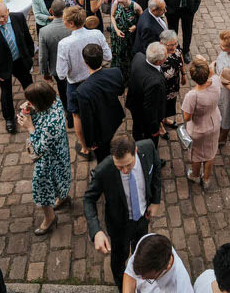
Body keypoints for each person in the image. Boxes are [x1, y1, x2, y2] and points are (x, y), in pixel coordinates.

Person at [84, 135, 163, 289]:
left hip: (143, 218)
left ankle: (140, 278)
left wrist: (155, 200)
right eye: (120, 167)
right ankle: (123, 286)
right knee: (119, 259)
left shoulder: (148, 147)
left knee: (140, 251)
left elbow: (156, 168)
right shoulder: (104, 170)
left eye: (128, 164)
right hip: (119, 225)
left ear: (135, 151)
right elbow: (88, 199)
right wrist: (96, 231)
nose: (125, 170)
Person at [56, 6, 112, 160]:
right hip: (96, 79)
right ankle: (101, 139)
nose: (63, 22)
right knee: (98, 109)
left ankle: (85, 147)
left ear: (71, 23)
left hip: (75, 84)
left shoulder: (64, 44)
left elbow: (61, 74)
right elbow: (108, 56)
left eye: (65, 20)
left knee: (77, 114)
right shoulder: (96, 33)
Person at [17, 82, 71, 235]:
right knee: (61, 177)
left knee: (42, 188)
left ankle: (50, 218)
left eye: (31, 102)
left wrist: (29, 127)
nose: (30, 104)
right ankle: (62, 197)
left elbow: (40, 148)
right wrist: (28, 109)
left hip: (48, 160)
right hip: (60, 151)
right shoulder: (56, 101)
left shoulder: (52, 124)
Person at [0, 1, 34, 134]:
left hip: (20, 61)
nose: (2, 20)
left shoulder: (18, 18)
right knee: (6, 93)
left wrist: (30, 56)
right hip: (2, 66)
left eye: (4, 16)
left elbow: (27, 38)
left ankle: (35, 108)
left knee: (29, 86)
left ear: (8, 11)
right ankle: (9, 119)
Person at [75, 44, 126, 163]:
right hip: (114, 118)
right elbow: (120, 90)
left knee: (102, 156)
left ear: (85, 62)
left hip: (100, 129)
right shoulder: (115, 72)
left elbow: (87, 120)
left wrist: (90, 142)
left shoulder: (82, 91)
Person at [182, 56, 222, 189]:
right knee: (210, 153)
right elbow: (212, 71)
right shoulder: (216, 81)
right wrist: (205, 63)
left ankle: (194, 175)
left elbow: (187, 117)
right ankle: (206, 179)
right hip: (215, 122)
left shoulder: (192, 96)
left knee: (197, 155)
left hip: (198, 129)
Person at [128, 43, 168, 148]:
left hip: (134, 103)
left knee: (136, 128)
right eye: (166, 55)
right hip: (144, 116)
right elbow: (150, 109)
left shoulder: (139, 57)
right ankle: (150, 160)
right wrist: (154, 129)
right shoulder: (155, 82)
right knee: (149, 141)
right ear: (159, 62)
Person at [37, 0, 72, 121]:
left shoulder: (44, 31)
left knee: (62, 90)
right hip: (73, 65)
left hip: (57, 68)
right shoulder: (73, 26)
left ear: (51, 11)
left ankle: (68, 111)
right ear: (66, 11)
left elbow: (43, 56)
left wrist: (44, 72)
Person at [123, 233, 193, 293]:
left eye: (148, 277)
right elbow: (130, 274)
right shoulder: (147, 243)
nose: (140, 278)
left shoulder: (180, 288)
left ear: (166, 267)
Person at [110, 0, 143, 82]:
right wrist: (116, 30)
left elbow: (142, 19)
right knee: (118, 55)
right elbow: (112, 16)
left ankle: (129, 77)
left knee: (128, 56)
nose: (117, 0)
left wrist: (135, 26)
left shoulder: (135, 7)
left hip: (129, 37)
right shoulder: (116, 3)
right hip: (117, 35)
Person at [160, 30, 186, 132]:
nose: (174, 47)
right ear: (162, 43)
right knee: (161, 105)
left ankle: (165, 119)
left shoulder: (176, 48)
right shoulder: (159, 54)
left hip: (173, 85)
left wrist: (183, 74)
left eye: (175, 44)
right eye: (170, 45)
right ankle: (159, 125)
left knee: (170, 104)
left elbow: (181, 58)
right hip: (163, 87)